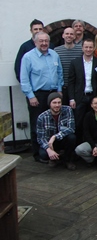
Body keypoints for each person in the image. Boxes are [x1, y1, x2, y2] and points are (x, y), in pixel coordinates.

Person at [20, 32, 63, 161]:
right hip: (37, 95)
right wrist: (30, 96)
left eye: (46, 41)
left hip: (53, 94)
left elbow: (59, 73)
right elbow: (24, 79)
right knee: (37, 125)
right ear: (35, 42)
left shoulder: (54, 54)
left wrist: (59, 90)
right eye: (41, 41)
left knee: (54, 123)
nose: (44, 43)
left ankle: (53, 150)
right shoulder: (28, 57)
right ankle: (38, 154)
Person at [68, 38, 97, 143]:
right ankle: (78, 145)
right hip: (80, 97)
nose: (88, 49)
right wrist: (72, 98)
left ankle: (92, 145)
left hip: (93, 97)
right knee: (78, 123)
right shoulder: (75, 62)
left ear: (94, 48)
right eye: (86, 47)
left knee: (93, 122)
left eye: (90, 47)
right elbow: (71, 82)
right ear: (82, 48)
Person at [36, 92, 76, 170]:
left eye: (59, 102)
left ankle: (67, 160)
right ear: (49, 104)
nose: (57, 105)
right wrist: (48, 149)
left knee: (72, 137)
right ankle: (54, 158)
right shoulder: (42, 117)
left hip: (62, 139)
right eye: (54, 103)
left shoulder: (68, 110)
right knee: (43, 154)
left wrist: (54, 137)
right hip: (50, 143)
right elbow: (40, 138)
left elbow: (71, 128)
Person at [55, 27, 83, 104]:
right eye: (67, 34)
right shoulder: (56, 51)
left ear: (75, 36)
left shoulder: (81, 50)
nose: (69, 36)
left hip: (76, 87)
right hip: (62, 87)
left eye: (71, 34)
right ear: (63, 35)